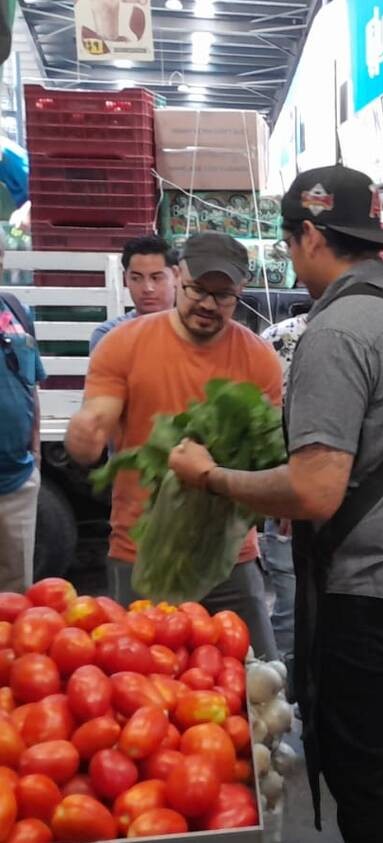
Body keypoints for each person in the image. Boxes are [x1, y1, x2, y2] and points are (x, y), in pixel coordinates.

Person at [165, 166, 383, 843]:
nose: (292, 258)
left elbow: (316, 488)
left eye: (289, 243)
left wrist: (211, 476)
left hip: (372, 587)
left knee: (358, 761)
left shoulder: (336, 331)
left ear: (311, 233)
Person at [64, 232, 281, 659]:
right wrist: (85, 433)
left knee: (260, 682)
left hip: (229, 556)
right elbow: (98, 421)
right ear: (179, 276)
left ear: (240, 293)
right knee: (140, 680)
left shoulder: (258, 359)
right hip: (143, 552)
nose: (207, 304)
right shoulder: (124, 344)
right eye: (198, 289)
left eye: (224, 296)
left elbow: (268, 455)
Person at [257, 300, 312, 670]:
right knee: (291, 610)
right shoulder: (279, 340)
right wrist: (285, 493)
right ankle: (282, 690)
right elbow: (263, 426)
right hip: (290, 497)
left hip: (346, 504)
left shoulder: (372, 338)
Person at [0, 281, 45, 592]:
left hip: (17, 478)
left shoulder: (17, 311)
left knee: (15, 598)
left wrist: (36, 449)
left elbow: (31, 384)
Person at [90, 235, 179, 350]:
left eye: (156, 278)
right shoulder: (109, 334)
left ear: (177, 275)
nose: (147, 288)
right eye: (136, 278)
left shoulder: (194, 330)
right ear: (126, 278)